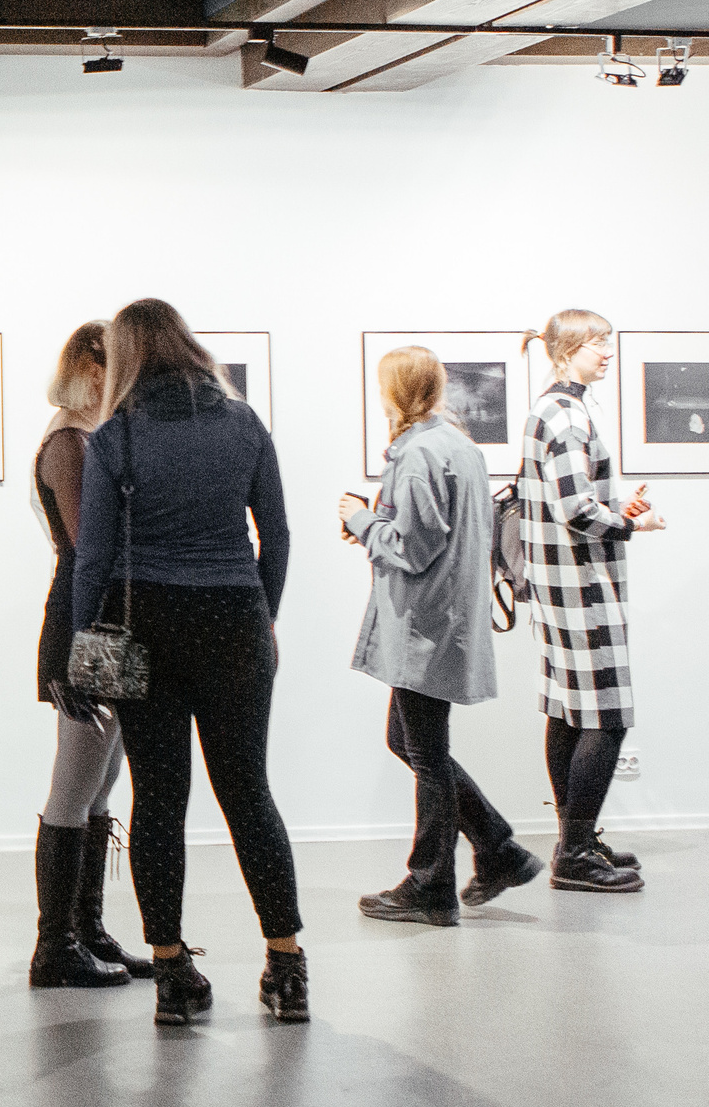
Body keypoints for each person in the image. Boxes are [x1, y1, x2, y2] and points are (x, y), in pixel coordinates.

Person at [72, 298, 305, 1026]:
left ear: (128, 357)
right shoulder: (244, 424)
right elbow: (278, 533)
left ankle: (172, 973)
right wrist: (264, 613)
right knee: (248, 792)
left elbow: (92, 559)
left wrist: (83, 640)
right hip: (234, 618)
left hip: (148, 623)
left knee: (158, 797)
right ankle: (287, 966)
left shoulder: (116, 436)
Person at [337, 346, 536, 925]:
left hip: (424, 625)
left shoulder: (420, 453)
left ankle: (432, 886)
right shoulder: (457, 445)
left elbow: (413, 547)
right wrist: (378, 524)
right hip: (443, 618)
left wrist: (360, 520)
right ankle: (497, 847)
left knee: (424, 753)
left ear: (394, 392)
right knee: (409, 743)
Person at [517, 311, 665, 892]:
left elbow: (570, 502)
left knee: (568, 711)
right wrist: (634, 524)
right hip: (581, 586)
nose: (608, 352)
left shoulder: (552, 409)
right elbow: (576, 510)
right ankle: (576, 853)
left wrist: (616, 511)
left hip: (559, 584)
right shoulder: (566, 413)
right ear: (567, 350)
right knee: (606, 715)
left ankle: (572, 842)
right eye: (598, 343)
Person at [27, 322, 144, 988]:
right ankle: (56, 947)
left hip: (107, 627)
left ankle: (87, 930)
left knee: (100, 785)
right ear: (93, 367)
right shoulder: (69, 442)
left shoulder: (91, 437)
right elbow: (90, 546)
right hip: (87, 630)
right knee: (74, 788)